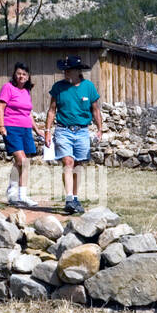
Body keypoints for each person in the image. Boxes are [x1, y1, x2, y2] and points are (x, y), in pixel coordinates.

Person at [44, 55, 103, 215]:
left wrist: (99, 128)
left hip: (82, 131)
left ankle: (75, 198)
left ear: (78, 71)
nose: (66, 72)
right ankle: (69, 198)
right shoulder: (58, 87)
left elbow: (95, 110)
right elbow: (52, 110)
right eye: (65, 70)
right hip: (63, 130)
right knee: (68, 162)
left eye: (69, 70)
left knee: (77, 165)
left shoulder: (88, 87)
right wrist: (47, 131)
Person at [0, 62, 39, 207]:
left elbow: (28, 114)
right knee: (23, 161)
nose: (21, 76)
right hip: (11, 127)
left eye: (24, 74)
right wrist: (1, 125)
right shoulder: (8, 88)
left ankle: (14, 192)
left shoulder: (26, 92)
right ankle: (21, 196)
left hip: (25, 129)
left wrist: (37, 129)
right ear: (15, 74)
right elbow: (1, 107)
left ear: (28, 77)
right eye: (19, 73)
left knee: (22, 162)